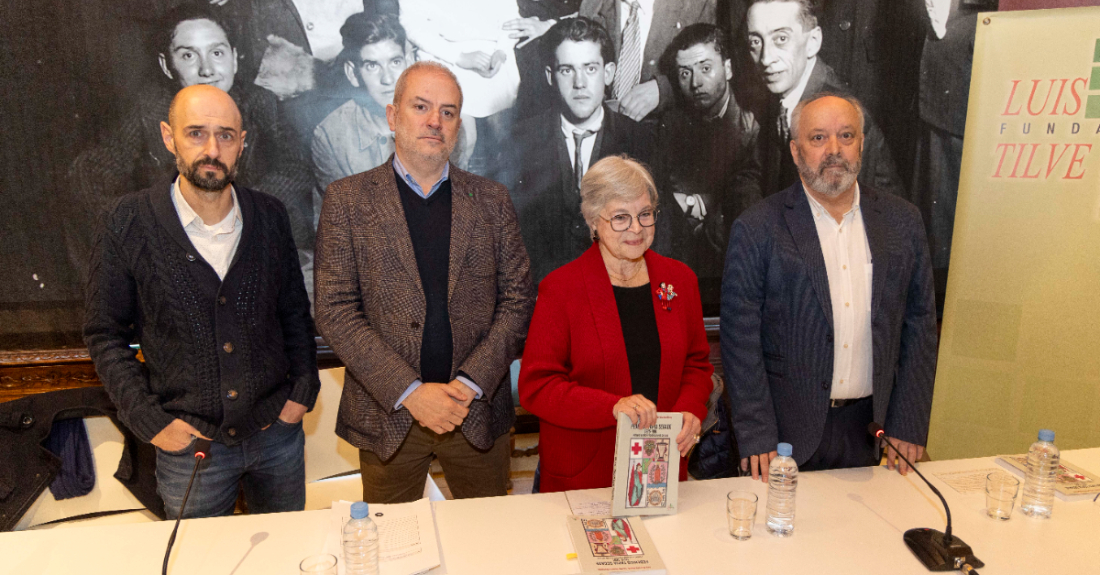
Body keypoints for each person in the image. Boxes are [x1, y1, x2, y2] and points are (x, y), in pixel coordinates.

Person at [84, 84, 320, 519]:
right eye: (196, 133)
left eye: (226, 136)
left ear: (242, 144)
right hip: (188, 449)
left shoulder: (270, 215)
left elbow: (294, 313)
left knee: (288, 557)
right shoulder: (126, 221)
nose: (212, 149)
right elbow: (105, 335)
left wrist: (302, 391)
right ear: (167, 137)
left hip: (277, 437)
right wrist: (152, 423)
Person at [314, 61, 535, 503]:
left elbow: (518, 299)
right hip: (388, 415)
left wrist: (470, 383)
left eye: (448, 111)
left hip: (474, 413)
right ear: (393, 116)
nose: (435, 121)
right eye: (421, 106)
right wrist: (411, 393)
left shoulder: (492, 201)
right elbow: (335, 310)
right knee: (392, 555)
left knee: (489, 549)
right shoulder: (346, 199)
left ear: (457, 125)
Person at [721, 93, 937, 481]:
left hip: (875, 433)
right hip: (785, 440)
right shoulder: (757, 228)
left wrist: (909, 424)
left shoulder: (903, 222)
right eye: (818, 138)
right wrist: (756, 435)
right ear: (794, 149)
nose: (834, 150)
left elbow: (920, 327)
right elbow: (740, 341)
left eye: (847, 136)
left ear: (862, 144)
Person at [68, 3, 314, 275]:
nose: (207, 70)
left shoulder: (260, 103)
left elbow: (298, 163)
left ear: (234, 58)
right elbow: (89, 174)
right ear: (166, 65)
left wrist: (246, 209)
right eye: (188, 56)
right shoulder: (151, 108)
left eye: (217, 53)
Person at [519, 155, 712, 493]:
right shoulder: (561, 290)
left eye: (645, 214)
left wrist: (690, 410)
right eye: (621, 217)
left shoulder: (680, 280)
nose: (636, 228)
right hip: (586, 475)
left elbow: (696, 365)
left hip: (659, 473)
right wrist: (611, 406)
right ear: (594, 221)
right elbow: (538, 387)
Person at [505, 16, 653, 283]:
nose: (579, 82)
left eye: (590, 68)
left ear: (608, 73)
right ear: (551, 76)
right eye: (567, 70)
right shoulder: (520, 141)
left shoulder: (642, 142)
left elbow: (659, 242)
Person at [744, 0, 902, 198]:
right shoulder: (789, 90)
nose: (766, 58)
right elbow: (755, 173)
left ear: (813, 42)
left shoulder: (836, 115)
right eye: (756, 42)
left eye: (781, 38)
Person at [656, 23, 762, 290]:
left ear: (727, 68)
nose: (695, 83)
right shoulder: (670, 124)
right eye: (684, 73)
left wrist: (694, 203)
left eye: (705, 68)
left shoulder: (754, 127)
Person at [310, 13, 409, 192]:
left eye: (395, 62)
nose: (387, 79)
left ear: (408, 64)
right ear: (353, 74)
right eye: (372, 66)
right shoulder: (331, 137)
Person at [579, 0, 717, 122]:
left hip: (665, 134)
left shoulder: (696, 5)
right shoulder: (592, 5)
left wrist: (664, 89)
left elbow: (714, 77)